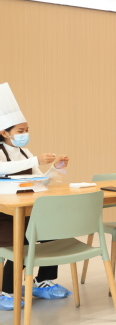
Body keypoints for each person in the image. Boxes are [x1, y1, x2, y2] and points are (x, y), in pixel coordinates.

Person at [0, 82, 71, 309]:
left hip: (27, 210)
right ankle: (7, 292)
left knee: (51, 233)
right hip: (4, 216)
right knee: (21, 242)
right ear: (4, 132)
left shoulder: (25, 152)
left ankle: (42, 282)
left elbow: (40, 180)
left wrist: (56, 168)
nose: (25, 135)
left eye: (27, 130)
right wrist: (35, 160)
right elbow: (3, 169)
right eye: (20, 131)